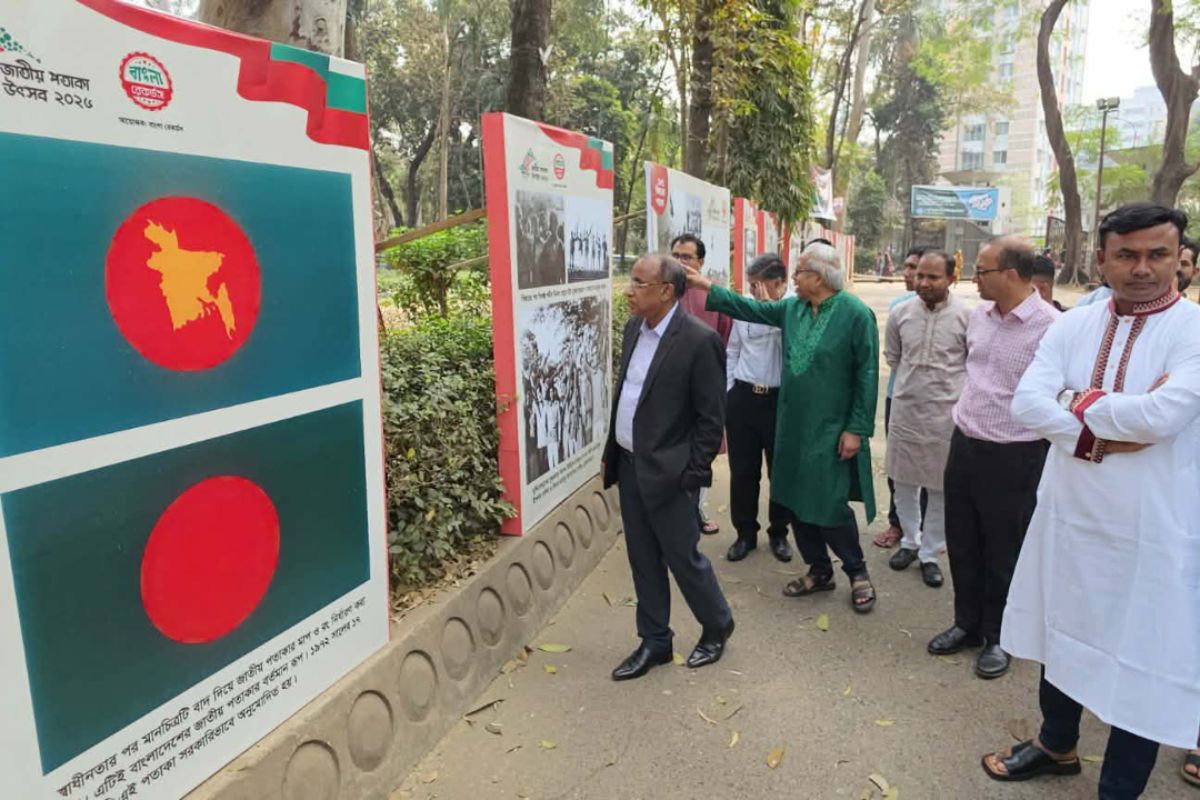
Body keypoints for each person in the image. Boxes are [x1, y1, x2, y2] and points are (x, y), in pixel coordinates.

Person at [981, 204, 1200, 798]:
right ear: (1099, 258)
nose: (1143, 268)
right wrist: (1100, 429)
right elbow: (1026, 402)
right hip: (1071, 517)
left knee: (1141, 657)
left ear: (1180, 259)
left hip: (1149, 527)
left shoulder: (1192, 331)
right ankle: (1057, 744)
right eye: (1126, 254)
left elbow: (1165, 414)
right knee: (1062, 630)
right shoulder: (1073, 324)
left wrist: (1072, 400)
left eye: (1158, 254)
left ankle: (1120, 787)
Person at [686, 244, 880, 613]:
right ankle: (819, 569)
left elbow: (867, 374)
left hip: (831, 428)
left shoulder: (855, 314)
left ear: (820, 276)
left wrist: (856, 429)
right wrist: (706, 286)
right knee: (792, 496)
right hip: (791, 424)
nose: (794, 277)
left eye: (801, 271)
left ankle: (857, 572)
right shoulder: (793, 309)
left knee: (829, 500)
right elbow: (751, 308)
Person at [929, 237, 1058, 680]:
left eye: (981, 270)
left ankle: (999, 636)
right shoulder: (979, 317)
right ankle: (966, 623)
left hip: (1015, 453)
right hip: (965, 443)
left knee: (1004, 548)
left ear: (1011, 274)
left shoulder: (1050, 327)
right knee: (962, 540)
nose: (973, 278)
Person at [602, 253, 734, 681]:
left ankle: (716, 625)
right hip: (630, 466)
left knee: (682, 557)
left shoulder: (698, 340)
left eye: (639, 283)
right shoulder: (632, 329)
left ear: (666, 291)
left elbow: (710, 419)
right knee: (642, 558)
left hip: (672, 475)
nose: (629, 290)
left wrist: (692, 476)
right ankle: (655, 640)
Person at [884, 251, 970, 589]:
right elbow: (894, 356)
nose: (923, 282)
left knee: (939, 487)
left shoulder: (967, 316)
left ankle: (930, 553)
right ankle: (909, 541)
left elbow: (971, 363)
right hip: (907, 409)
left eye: (933, 277)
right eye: (920, 275)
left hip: (946, 415)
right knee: (903, 482)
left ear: (951, 279)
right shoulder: (900, 313)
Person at [724, 254, 793, 563]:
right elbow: (733, 350)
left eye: (758, 285)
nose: (753, 292)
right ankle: (745, 533)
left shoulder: (794, 308)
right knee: (743, 472)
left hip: (779, 402)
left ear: (779, 283)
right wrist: (728, 392)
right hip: (743, 398)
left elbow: (790, 348)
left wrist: (768, 311)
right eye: (750, 285)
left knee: (780, 472)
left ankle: (779, 533)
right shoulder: (743, 307)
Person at [671, 233, 731, 536]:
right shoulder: (662, 291)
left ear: (701, 262)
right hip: (667, 392)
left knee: (702, 450)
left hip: (703, 390)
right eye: (676, 256)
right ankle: (678, 512)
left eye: (687, 257)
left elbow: (724, 336)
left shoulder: (715, 295)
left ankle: (699, 510)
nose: (680, 262)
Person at [874, 247, 926, 549]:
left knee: (933, 467)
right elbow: (893, 357)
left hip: (937, 404)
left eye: (916, 269)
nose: (909, 274)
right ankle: (898, 524)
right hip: (899, 396)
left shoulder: (959, 313)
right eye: (908, 267)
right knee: (898, 465)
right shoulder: (898, 307)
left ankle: (928, 530)